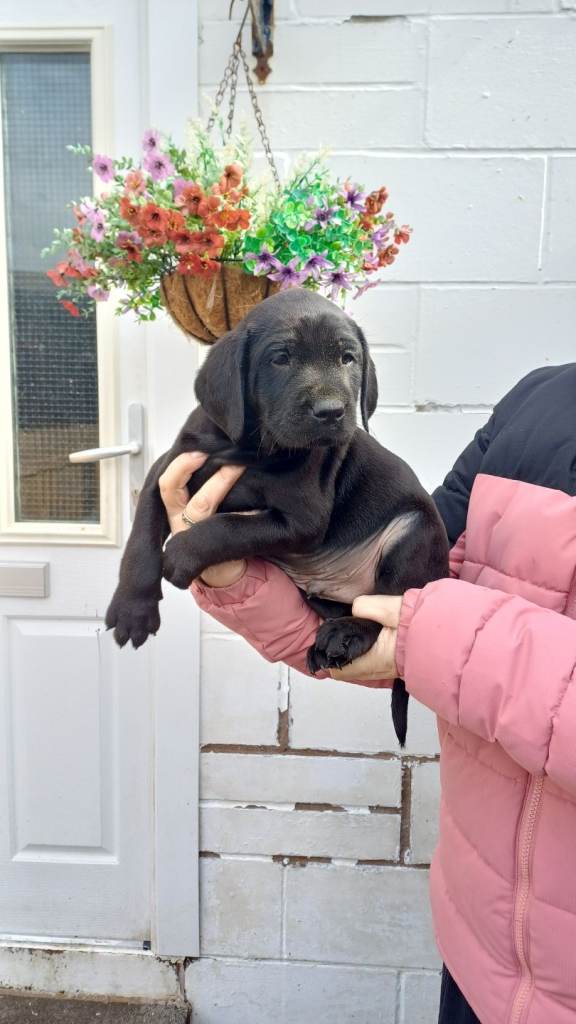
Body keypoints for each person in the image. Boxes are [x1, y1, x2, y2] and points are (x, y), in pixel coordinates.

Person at [159, 364, 576, 1024]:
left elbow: (427, 632)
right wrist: (240, 574)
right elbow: (402, 594)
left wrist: (432, 635)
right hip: (480, 949)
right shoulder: (542, 397)